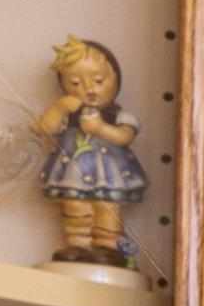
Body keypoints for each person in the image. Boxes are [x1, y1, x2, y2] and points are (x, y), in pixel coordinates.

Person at [33, 35, 147, 268]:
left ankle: (107, 246)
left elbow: (125, 136)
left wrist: (101, 128)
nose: (89, 89)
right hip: (73, 174)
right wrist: (60, 107)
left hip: (109, 172)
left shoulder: (117, 116)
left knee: (106, 207)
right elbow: (42, 129)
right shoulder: (69, 113)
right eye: (75, 83)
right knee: (75, 206)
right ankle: (77, 245)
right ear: (63, 84)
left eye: (98, 80)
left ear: (115, 78)